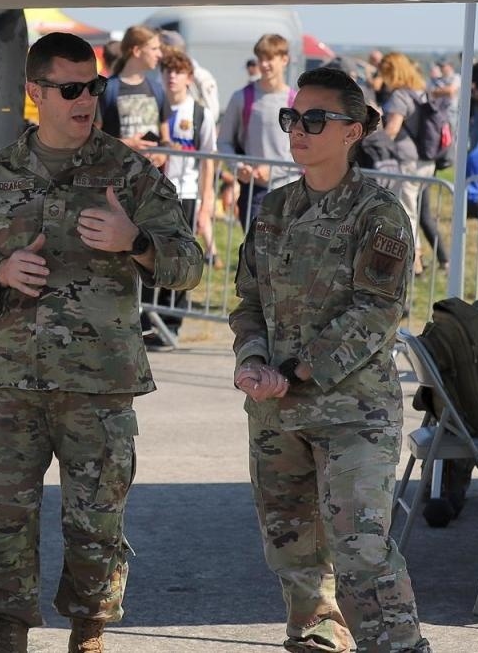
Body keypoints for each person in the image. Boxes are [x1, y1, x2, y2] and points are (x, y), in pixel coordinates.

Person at [0, 31, 204, 653]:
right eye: (70, 89)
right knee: (4, 518)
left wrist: (133, 241)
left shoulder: (129, 173)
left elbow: (189, 264)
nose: (85, 99)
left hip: (99, 381)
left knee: (97, 524)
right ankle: (9, 636)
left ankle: (89, 637)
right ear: (36, 93)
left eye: (94, 86)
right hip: (13, 380)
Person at [229, 65, 429, 653]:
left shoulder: (377, 213)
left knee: (359, 544)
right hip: (275, 412)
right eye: (292, 118)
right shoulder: (274, 209)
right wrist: (252, 359)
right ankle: (318, 628)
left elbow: (374, 313)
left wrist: (292, 373)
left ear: (353, 130)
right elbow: (247, 302)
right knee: (289, 541)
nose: (299, 129)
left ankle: (397, 644)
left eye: (315, 119)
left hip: (352, 411)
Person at [147, 46, 217, 342]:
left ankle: (171, 323)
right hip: (152, 196)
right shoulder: (154, 108)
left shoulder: (199, 113)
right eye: (167, 70)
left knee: (178, 260)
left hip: (185, 194)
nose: (172, 76)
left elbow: (208, 161)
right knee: (148, 255)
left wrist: (205, 204)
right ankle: (147, 319)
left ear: (189, 77)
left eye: (178, 71)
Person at [220, 33, 296, 229]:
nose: (264, 64)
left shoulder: (297, 102)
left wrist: (273, 170)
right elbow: (224, 141)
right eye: (260, 59)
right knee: (255, 255)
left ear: (284, 60)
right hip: (255, 192)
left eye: (270, 58)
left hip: (291, 190)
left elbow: (307, 149)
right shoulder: (241, 98)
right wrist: (238, 167)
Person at [375, 52, 433, 274]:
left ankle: (414, 261)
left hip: (408, 160)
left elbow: (392, 129)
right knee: (415, 209)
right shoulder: (421, 92)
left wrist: (375, 138)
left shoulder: (399, 96)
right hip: (426, 160)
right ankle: (415, 257)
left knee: (407, 211)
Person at [99, 25, 168, 150]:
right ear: (137, 51)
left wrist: (162, 154)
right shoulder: (107, 90)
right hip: (116, 168)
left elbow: (165, 138)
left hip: (152, 169)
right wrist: (128, 144)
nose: (160, 54)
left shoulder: (157, 89)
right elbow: (92, 139)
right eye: (154, 49)